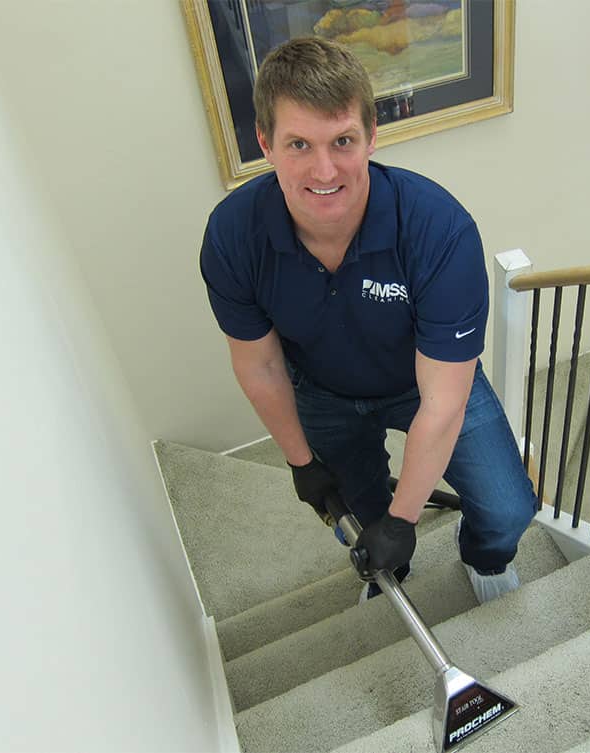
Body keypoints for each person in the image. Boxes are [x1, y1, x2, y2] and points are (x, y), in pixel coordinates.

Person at [199, 36, 536, 603]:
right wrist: (300, 461)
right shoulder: (234, 236)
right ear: (265, 143)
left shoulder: (438, 232)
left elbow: (444, 400)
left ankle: (485, 557)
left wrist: (405, 522)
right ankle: (390, 577)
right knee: (361, 514)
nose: (324, 169)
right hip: (324, 394)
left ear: (372, 136)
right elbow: (259, 366)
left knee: (508, 508)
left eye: (343, 141)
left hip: (424, 382)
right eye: (299, 144)